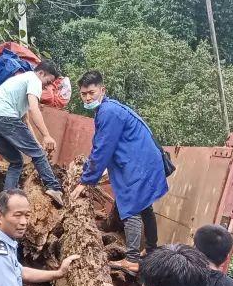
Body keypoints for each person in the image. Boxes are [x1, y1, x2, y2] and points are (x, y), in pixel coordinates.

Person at [70, 70, 169, 274]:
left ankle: (132, 259)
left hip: (139, 165)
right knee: (144, 207)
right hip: (143, 162)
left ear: (102, 90)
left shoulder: (108, 112)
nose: (87, 97)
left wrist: (85, 181)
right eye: (83, 94)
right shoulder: (109, 109)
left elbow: (102, 148)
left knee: (130, 207)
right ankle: (150, 250)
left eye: (91, 92)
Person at [0, 61, 65, 204]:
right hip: (6, 117)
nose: (48, 86)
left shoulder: (22, 81)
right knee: (38, 155)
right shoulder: (33, 79)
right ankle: (53, 187)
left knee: (16, 162)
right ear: (41, 73)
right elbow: (35, 109)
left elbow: (26, 121)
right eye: (49, 81)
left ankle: (5, 201)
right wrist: (46, 136)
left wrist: (37, 145)